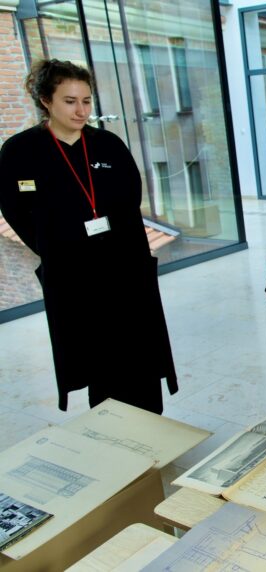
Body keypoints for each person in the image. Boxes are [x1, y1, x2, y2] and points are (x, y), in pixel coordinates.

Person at [0, 59, 177, 413]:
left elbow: (130, 197)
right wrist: (53, 248)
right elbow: (14, 209)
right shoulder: (20, 151)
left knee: (139, 351)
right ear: (45, 100)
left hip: (125, 268)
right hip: (74, 276)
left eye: (86, 100)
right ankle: (111, 429)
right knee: (98, 361)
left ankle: (152, 427)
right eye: (70, 101)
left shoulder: (107, 145)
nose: (81, 110)